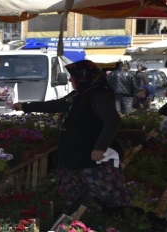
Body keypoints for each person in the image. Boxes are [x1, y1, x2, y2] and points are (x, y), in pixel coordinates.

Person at [12, 60, 129, 208]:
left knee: (106, 198)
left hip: (93, 159)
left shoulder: (99, 94)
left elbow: (113, 121)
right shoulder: (79, 93)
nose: (69, 79)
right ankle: (79, 225)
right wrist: (25, 106)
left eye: (72, 76)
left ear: (83, 76)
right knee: (75, 201)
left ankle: (113, 225)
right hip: (74, 157)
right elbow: (56, 105)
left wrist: (100, 147)